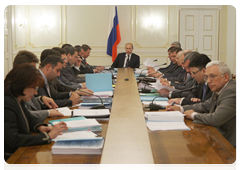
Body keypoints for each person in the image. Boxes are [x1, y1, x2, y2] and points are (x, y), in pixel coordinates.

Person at [167, 61, 238, 149]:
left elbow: (216, 119)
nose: (208, 81)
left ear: (226, 77)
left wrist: (193, 115)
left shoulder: (232, 91)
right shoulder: (220, 88)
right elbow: (205, 105)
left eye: (212, 76)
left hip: (231, 145)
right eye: (206, 77)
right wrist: (180, 109)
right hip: (219, 138)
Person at [4, 63, 68, 162]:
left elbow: (28, 117)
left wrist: (40, 127)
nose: (36, 93)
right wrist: (48, 136)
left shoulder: (17, 98)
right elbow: (13, 140)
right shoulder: (6, 103)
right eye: (34, 88)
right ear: (22, 85)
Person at [13, 50, 64, 122]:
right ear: (21, 70)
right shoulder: (13, 90)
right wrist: (48, 113)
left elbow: (30, 104)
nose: (35, 73)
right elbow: (25, 114)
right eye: (31, 70)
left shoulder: (26, 83)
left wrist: (41, 99)